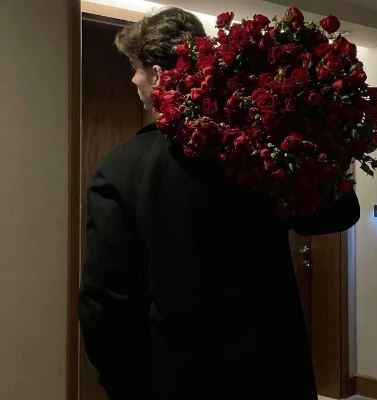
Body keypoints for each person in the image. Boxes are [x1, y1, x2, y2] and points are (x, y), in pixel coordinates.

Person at [78, 7, 360, 400]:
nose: (133, 79)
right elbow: (337, 214)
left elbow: (106, 302)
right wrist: (309, 135)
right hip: (274, 373)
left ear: (158, 75)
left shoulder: (121, 168)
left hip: (182, 381)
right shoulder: (259, 149)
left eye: (135, 69)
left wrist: (125, 387)